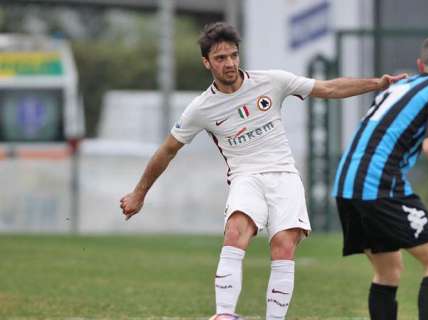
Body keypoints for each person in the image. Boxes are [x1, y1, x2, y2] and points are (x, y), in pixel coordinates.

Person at [119, 22, 405, 320]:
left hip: (284, 176)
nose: (229, 63)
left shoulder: (271, 81)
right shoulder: (201, 108)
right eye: (220, 58)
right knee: (235, 231)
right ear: (206, 62)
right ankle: (224, 315)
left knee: (283, 246)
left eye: (233, 55)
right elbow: (167, 150)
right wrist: (139, 194)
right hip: (245, 177)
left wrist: (378, 84)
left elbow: (329, 87)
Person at [332, 34, 428, 320]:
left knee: (388, 271)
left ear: (420, 65)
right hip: (379, 186)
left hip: (346, 185)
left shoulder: (398, 87)